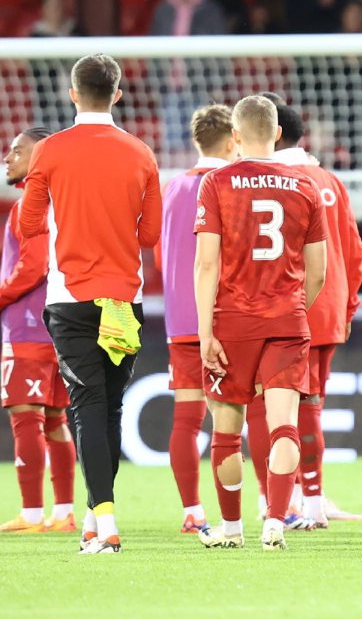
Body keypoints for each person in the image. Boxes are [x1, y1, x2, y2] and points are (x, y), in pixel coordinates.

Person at [19, 55, 163, 554]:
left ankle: (105, 525)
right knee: (108, 410)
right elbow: (149, 234)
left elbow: (27, 225)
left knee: (88, 408)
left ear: (73, 94)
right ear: (118, 94)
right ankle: (93, 518)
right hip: (125, 298)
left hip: (71, 298)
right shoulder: (141, 153)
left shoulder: (51, 152)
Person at [193, 96, 328, 552]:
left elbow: (206, 265)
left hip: (232, 323)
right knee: (283, 426)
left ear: (234, 137)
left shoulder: (216, 182)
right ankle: (275, 521)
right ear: (275, 133)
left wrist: (206, 331)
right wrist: (294, 310)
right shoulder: (306, 185)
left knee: (227, 432)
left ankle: (231, 530)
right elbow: (319, 271)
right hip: (287, 319)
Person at [269, 98, 362, 529]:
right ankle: (310, 499)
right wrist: (346, 304)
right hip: (328, 310)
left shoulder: (272, 181)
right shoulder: (328, 180)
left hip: (286, 308)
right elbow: (353, 250)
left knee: (282, 409)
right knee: (311, 407)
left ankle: (291, 503)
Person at [157, 105, 236, 535]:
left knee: (186, 419)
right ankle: (264, 506)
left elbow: (158, 253)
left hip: (179, 319)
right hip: (224, 316)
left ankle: (192, 510)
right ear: (231, 140)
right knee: (241, 417)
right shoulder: (228, 185)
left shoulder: (171, 188)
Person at [1, 127, 75, 535]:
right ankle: (63, 512)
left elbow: (32, 266)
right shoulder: (63, 201)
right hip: (62, 325)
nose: (8, 158)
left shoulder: (31, 201)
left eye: (17, 151)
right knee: (55, 418)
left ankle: (32, 514)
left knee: (25, 415)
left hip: (28, 325)